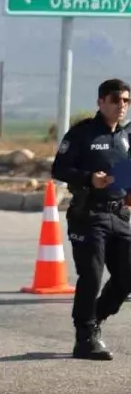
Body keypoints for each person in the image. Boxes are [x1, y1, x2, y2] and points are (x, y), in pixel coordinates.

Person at [51, 78, 131, 360]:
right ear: (101, 102)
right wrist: (89, 178)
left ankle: (95, 319)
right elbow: (59, 168)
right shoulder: (82, 134)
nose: (121, 105)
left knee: (126, 277)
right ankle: (84, 338)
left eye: (125, 100)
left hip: (119, 214)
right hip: (89, 215)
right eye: (115, 100)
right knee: (92, 275)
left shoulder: (125, 136)